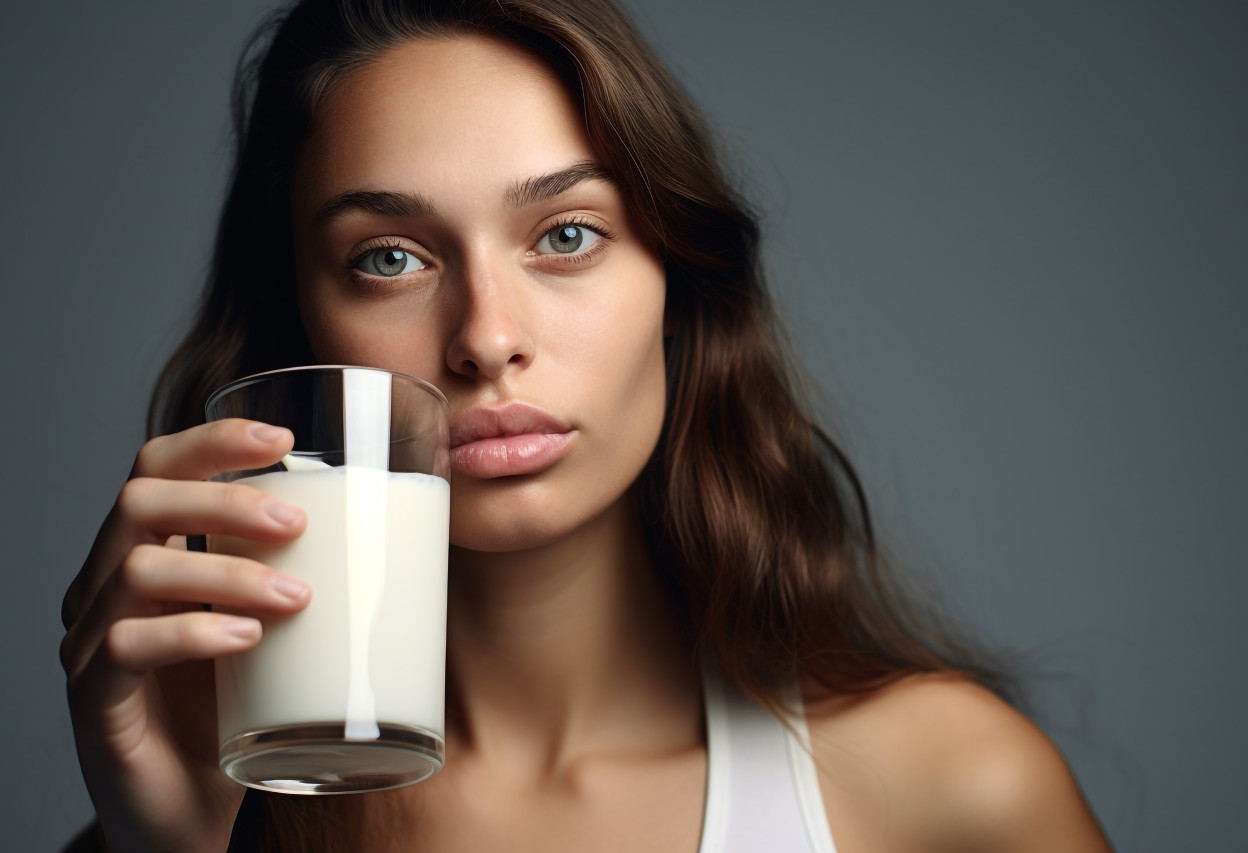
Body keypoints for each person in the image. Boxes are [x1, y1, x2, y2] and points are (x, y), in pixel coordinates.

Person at [59, 0, 1113, 850]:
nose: (486, 336)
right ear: (297, 315)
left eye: (565, 233)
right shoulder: (204, 803)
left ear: (677, 280)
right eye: (389, 257)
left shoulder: (949, 791)